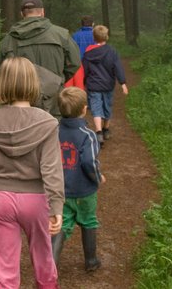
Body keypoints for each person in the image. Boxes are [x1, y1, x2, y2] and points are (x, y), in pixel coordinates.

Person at [0, 57, 64, 289]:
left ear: (2, 83)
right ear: (33, 83)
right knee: (44, 259)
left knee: (3, 271)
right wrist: (56, 207)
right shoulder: (47, 123)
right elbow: (51, 169)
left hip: (0, 199)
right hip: (36, 200)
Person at [52, 87, 104, 272]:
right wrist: (97, 178)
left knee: (61, 225)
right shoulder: (88, 135)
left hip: (61, 190)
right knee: (88, 221)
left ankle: (50, 267)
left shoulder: (54, 132)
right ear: (84, 109)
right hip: (84, 190)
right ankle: (91, 261)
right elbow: (89, 162)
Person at [0, 0, 81, 82]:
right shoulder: (62, 35)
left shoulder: (8, 39)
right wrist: (58, 81)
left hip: (21, 93)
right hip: (54, 93)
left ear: (22, 14)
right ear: (42, 12)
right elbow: (74, 63)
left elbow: (2, 69)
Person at [81, 25, 128, 143]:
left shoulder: (88, 53)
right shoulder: (112, 51)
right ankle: (106, 129)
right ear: (106, 37)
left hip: (93, 85)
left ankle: (98, 133)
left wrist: (83, 83)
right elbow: (118, 67)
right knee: (107, 106)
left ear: (94, 37)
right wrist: (122, 83)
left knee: (96, 108)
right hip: (108, 85)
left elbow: (84, 70)